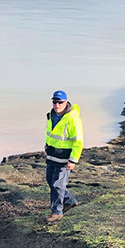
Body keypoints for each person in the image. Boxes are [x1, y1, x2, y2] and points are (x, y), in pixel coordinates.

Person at [44, 90, 83, 223]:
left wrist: (73, 160)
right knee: (50, 181)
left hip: (64, 158)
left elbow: (78, 141)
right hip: (52, 156)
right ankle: (70, 201)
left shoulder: (72, 119)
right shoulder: (51, 115)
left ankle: (57, 212)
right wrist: (46, 147)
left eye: (60, 102)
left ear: (66, 102)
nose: (57, 105)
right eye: (55, 102)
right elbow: (50, 134)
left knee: (57, 185)